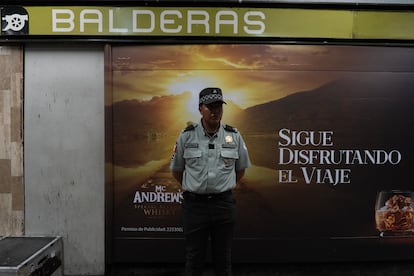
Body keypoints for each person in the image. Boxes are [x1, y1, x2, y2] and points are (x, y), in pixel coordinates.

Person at [170, 87, 251, 276]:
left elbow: (240, 170)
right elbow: (177, 170)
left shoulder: (234, 136)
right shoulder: (186, 135)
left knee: (223, 260)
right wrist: (195, 188)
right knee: (194, 259)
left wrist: (221, 187)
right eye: (210, 107)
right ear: (200, 109)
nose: (215, 111)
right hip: (195, 207)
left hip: (223, 206)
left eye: (219, 107)